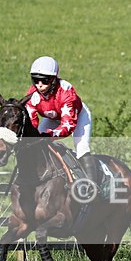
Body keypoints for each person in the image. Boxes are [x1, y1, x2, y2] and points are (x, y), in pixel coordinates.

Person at [25, 56, 100, 200]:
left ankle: (92, 187)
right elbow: (31, 121)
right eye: (35, 80)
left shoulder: (66, 91)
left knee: (82, 147)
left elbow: (68, 125)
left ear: (53, 80)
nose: (39, 85)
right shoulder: (32, 94)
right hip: (53, 118)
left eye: (44, 80)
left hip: (77, 117)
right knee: (36, 143)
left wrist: (50, 135)